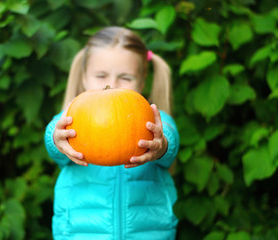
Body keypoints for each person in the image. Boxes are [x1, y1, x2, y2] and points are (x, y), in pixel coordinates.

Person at [44, 26, 180, 240]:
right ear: (84, 78)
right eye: (101, 75)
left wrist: (160, 145)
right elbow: (54, 136)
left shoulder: (153, 119)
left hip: (149, 234)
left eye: (125, 78)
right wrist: (56, 138)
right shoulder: (71, 118)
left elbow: (169, 141)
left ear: (142, 81)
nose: (112, 84)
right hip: (80, 233)